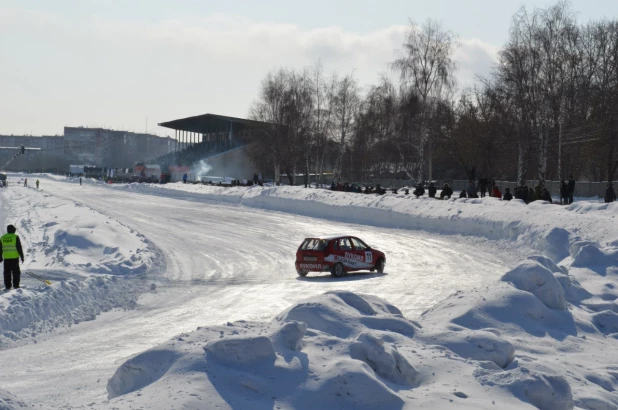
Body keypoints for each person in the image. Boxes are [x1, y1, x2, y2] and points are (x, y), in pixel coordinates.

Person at [0, 225, 25, 290]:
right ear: (13, 230)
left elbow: (0, 249)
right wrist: (22, 256)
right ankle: (16, 286)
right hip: (14, 259)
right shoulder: (15, 237)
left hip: (6, 259)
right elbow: (19, 247)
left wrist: (0, 257)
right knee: (16, 273)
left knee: (7, 273)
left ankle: (8, 286)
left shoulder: (2, 237)